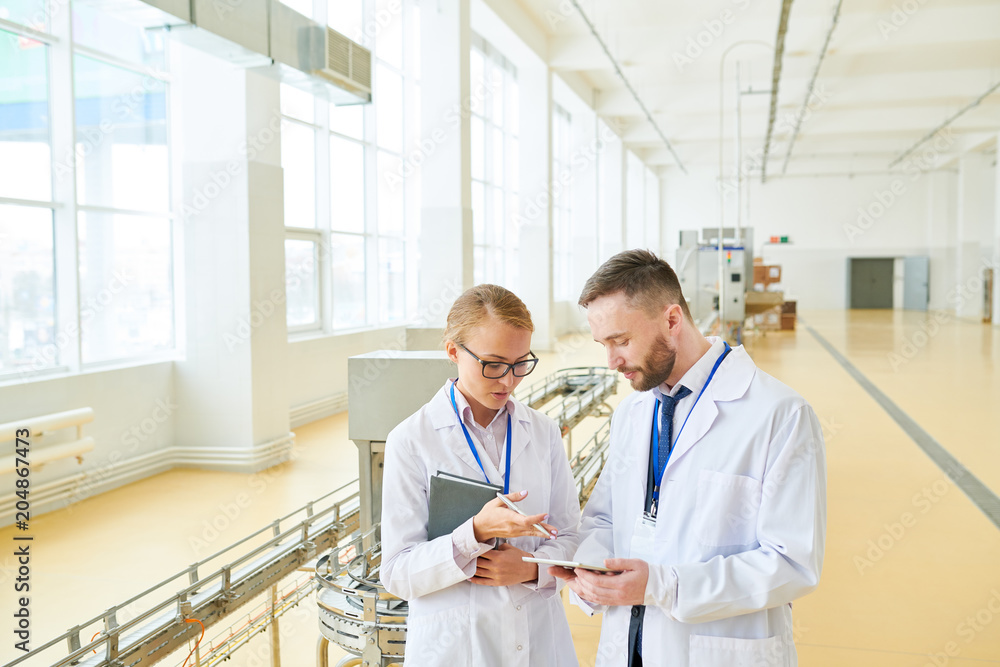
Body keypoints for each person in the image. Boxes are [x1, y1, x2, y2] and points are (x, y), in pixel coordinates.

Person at [550, 249, 826, 667]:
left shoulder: (778, 414)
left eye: (621, 341)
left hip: (718, 651)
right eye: (603, 345)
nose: (612, 362)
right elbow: (608, 519)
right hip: (629, 646)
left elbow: (791, 562)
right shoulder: (633, 412)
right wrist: (588, 567)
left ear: (672, 321)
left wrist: (665, 586)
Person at [380, 284, 581, 666]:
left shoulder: (543, 432)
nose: (508, 381)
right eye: (493, 364)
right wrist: (474, 535)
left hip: (538, 641)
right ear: (453, 350)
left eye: (521, 364)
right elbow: (397, 572)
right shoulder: (411, 440)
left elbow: (572, 537)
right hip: (455, 648)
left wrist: (527, 570)